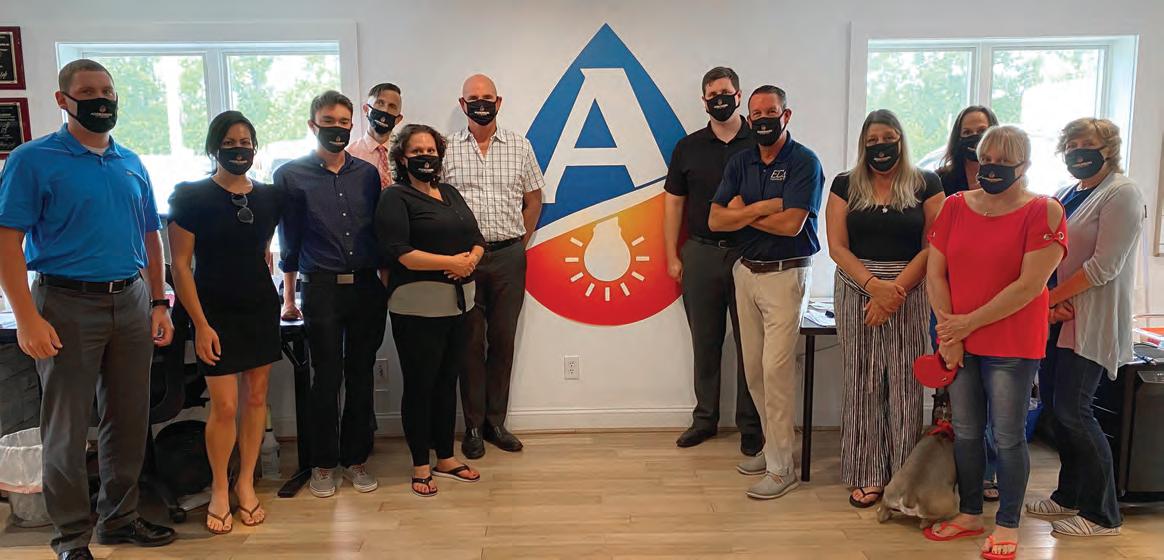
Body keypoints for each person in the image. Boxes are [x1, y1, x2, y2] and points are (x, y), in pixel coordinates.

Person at [0, 59, 177, 560]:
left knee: (127, 419)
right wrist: (27, 318)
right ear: (63, 100)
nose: (101, 99)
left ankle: (119, 519)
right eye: (88, 91)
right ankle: (72, 538)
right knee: (67, 428)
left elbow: (151, 236)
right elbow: (7, 242)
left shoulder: (130, 161)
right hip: (65, 303)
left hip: (132, 299)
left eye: (108, 91)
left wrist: (159, 301)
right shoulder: (32, 160)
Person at [925, 125, 1067, 560]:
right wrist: (949, 333)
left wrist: (964, 325)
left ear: (1024, 166)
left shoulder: (1045, 211)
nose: (992, 169)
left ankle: (1007, 523)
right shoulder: (954, 206)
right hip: (958, 339)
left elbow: (1029, 286)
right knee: (966, 432)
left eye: (1004, 163)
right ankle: (969, 513)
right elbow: (936, 274)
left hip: (1012, 343)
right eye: (987, 161)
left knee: (1007, 436)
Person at [1025, 118, 1143, 537]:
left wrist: (1048, 299)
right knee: (1058, 411)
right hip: (1057, 321)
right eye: (1071, 144)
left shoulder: (1122, 193)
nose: (1078, 151)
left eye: (1086, 144)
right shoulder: (1066, 193)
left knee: (1075, 411)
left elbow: (1103, 266)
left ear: (1108, 148)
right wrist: (1048, 302)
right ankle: (1068, 496)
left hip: (1089, 320)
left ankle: (1102, 514)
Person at [168, 111, 283, 534]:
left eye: (246, 142)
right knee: (226, 405)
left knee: (256, 399)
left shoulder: (269, 197)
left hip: (259, 307)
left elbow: (263, 251)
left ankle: (245, 483)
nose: (239, 149)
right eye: (230, 142)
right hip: (213, 312)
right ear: (214, 147)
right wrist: (200, 324)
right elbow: (180, 266)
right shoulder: (191, 196)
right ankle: (219, 487)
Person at [708, 85, 824, 500]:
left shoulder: (804, 162)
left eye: (770, 112)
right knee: (754, 371)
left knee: (776, 371)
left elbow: (792, 225)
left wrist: (741, 212)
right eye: (756, 113)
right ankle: (773, 448)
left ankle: (782, 468)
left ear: (785, 115)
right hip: (747, 272)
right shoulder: (742, 161)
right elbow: (715, 219)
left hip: (786, 274)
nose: (762, 119)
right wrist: (762, 208)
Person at [826, 109, 943, 508]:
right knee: (862, 382)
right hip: (857, 286)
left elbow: (934, 244)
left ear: (901, 140)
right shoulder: (845, 184)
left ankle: (903, 478)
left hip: (910, 287)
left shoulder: (927, 183)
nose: (881, 146)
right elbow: (837, 246)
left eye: (888, 138)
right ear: (863, 144)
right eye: (873, 140)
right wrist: (875, 288)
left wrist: (895, 291)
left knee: (906, 385)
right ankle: (868, 473)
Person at [277, 90, 386, 498]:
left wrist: (384, 282)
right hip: (319, 288)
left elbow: (378, 232)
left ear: (351, 125)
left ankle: (356, 459)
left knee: (361, 374)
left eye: (343, 122)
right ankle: (323, 464)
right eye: (328, 121)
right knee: (325, 377)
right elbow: (288, 242)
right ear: (313, 125)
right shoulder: (290, 176)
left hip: (366, 288)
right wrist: (289, 299)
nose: (336, 128)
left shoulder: (367, 175)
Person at [375, 124, 485, 497]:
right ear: (402, 158)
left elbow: (476, 237)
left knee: (447, 382)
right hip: (416, 307)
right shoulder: (395, 197)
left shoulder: (450, 193)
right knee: (420, 386)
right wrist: (451, 263)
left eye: (431, 151)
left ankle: (446, 458)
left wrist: (471, 260)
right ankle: (420, 465)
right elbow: (401, 252)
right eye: (417, 151)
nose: (425, 157)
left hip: (459, 305)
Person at [664, 66, 764, 455]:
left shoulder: (760, 141)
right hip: (701, 253)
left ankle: (751, 425)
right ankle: (705, 418)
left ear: (739, 96)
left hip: (750, 254)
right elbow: (674, 203)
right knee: (705, 342)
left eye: (726, 92)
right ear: (704, 101)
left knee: (750, 344)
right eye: (712, 94)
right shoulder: (687, 147)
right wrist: (672, 255)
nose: (719, 99)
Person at [444, 73, 544, 459]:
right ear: (463, 104)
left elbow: (534, 200)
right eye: (473, 98)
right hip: (464, 262)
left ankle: (495, 423)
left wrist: (520, 244)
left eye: (487, 97)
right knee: (469, 344)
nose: (481, 103)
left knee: (503, 341)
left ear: (499, 102)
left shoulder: (520, 146)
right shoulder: (446, 148)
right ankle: (472, 426)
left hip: (508, 258)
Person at [935, 105, 1003, 502]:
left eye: (982, 130)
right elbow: (935, 248)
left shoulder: (1012, 185)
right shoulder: (943, 183)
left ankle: (987, 473)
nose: (975, 138)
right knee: (951, 391)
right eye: (967, 132)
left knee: (993, 395)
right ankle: (949, 471)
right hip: (949, 298)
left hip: (995, 305)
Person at [347, 82, 404, 188]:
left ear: (398, 119)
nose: (385, 110)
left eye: (392, 106)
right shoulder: (350, 156)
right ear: (366, 109)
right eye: (380, 103)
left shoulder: (404, 154)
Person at [936, 105, 1000, 196]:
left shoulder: (1006, 178)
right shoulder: (941, 180)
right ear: (958, 138)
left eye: (982, 131)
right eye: (967, 132)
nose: (975, 136)